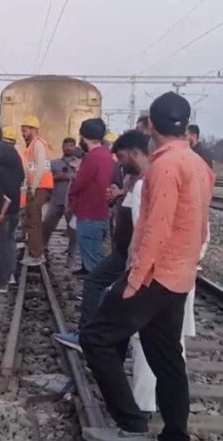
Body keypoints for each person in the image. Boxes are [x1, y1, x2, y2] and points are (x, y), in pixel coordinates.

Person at [80, 92, 215, 441]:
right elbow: (201, 228)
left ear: (151, 125)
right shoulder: (200, 166)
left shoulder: (164, 167)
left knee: (95, 338)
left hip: (154, 275)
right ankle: (175, 433)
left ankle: (131, 422)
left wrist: (134, 279)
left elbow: (156, 227)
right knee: (166, 356)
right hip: (179, 277)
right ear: (185, 124)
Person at [54, 130, 150, 350]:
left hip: (130, 254)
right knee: (108, 290)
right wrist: (121, 194)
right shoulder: (137, 179)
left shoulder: (145, 180)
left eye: (123, 158)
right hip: (125, 251)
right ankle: (105, 341)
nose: (120, 164)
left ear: (135, 153)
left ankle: (91, 337)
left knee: (99, 284)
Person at [67, 118, 113, 273]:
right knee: (95, 254)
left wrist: (74, 182)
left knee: (93, 260)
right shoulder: (106, 154)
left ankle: (98, 294)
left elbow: (80, 183)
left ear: (83, 136)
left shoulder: (92, 157)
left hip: (89, 214)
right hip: (100, 212)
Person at [0, 125, 24, 294]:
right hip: (14, 205)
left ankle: (2, 281)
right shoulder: (14, 153)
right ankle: (10, 275)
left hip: (0, 207)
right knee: (9, 241)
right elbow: (21, 176)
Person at [20, 116, 53, 266]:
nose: (23, 133)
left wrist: (32, 187)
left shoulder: (38, 144)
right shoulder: (33, 144)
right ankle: (36, 251)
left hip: (39, 186)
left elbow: (39, 167)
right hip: (38, 185)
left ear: (33, 129)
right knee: (32, 218)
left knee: (33, 220)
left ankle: (36, 254)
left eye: (25, 130)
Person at [41, 137, 79, 268]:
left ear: (75, 147)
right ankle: (42, 251)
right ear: (62, 147)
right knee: (46, 226)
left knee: (73, 232)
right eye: (66, 145)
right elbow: (43, 175)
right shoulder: (53, 163)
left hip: (72, 204)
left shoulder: (81, 164)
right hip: (56, 201)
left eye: (71, 145)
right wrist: (59, 177)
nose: (68, 148)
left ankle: (71, 260)